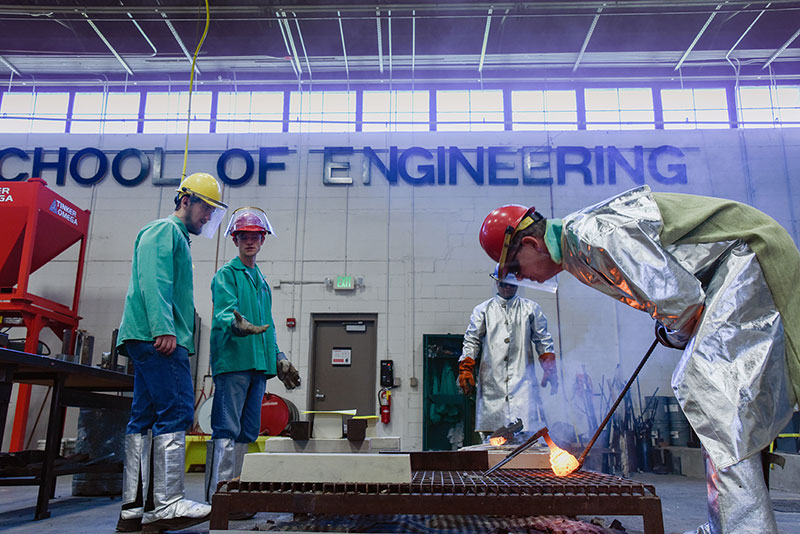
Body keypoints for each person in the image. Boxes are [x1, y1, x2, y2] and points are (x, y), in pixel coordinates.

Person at [479, 185, 800, 534]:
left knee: (712, 394)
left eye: (517, 271)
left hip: (745, 256)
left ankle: (745, 529)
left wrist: (674, 328)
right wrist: (672, 326)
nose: (523, 279)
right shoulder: (578, 251)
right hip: (723, 272)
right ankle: (725, 524)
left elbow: (681, 302)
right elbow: (675, 302)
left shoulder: (595, 235)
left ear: (531, 244)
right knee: (714, 402)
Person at [116, 172, 228, 533]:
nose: (208, 217)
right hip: (159, 337)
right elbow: (154, 280)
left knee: (143, 420)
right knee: (177, 410)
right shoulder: (164, 232)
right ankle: (166, 504)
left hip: (148, 336)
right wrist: (164, 327)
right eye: (206, 208)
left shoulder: (175, 236)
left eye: (212, 211)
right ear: (186, 201)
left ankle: (135, 512)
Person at [204, 207, 301, 505]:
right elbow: (224, 313)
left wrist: (279, 357)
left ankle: (236, 495)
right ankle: (217, 499)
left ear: (262, 240)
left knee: (247, 431)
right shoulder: (226, 275)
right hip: (233, 363)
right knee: (226, 428)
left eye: (255, 236)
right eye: (243, 236)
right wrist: (235, 323)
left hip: (258, 367)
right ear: (235, 240)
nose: (250, 242)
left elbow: (267, 327)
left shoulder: (261, 282)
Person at [458, 265, 558, 436]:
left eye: (511, 284)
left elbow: (543, 340)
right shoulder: (483, 310)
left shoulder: (531, 309)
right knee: (492, 440)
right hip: (492, 384)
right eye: (503, 284)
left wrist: (549, 366)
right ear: (496, 283)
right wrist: (466, 367)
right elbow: (471, 340)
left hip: (523, 383)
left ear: (518, 283)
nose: (507, 288)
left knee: (525, 438)